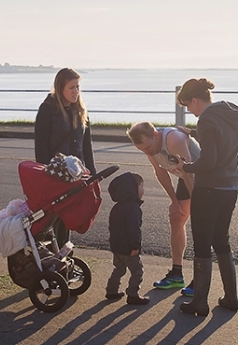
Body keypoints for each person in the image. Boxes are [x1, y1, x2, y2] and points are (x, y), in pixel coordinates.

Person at [173, 78, 238, 316]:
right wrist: (193, 133)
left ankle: (199, 302)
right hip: (230, 187)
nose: (190, 112)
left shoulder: (206, 119)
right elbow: (220, 140)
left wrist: (185, 167)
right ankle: (231, 298)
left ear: (195, 100)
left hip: (209, 189)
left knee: (202, 244)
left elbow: (209, 161)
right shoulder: (229, 113)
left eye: (188, 106)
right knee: (221, 241)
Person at [127, 121, 200, 296]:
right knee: (176, 218)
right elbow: (160, 172)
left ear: (155, 135)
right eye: (142, 150)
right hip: (185, 178)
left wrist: (198, 204)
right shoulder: (149, 147)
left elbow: (190, 172)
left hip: (205, 178)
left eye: (148, 148)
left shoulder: (174, 140)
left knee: (201, 227)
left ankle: (200, 280)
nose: (147, 152)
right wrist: (174, 201)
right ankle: (176, 274)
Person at [34, 67, 97, 246]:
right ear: (60, 88)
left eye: (78, 87)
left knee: (69, 214)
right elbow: (41, 145)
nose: (76, 91)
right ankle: (52, 250)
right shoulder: (48, 109)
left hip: (77, 172)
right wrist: (45, 173)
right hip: (57, 172)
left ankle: (62, 249)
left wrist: (92, 174)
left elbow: (87, 146)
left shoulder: (80, 111)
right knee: (54, 215)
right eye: (71, 87)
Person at [104, 172, 150, 305]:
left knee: (119, 269)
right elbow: (134, 229)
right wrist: (135, 246)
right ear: (133, 189)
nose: (143, 190)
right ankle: (133, 294)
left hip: (117, 247)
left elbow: (112, 228)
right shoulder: (133, 208)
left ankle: (111, 290)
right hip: (129, 248)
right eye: (141, 187)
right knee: (137, 271)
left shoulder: (117, 207)